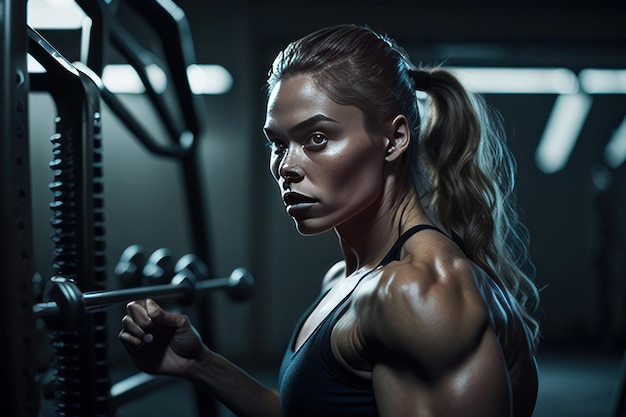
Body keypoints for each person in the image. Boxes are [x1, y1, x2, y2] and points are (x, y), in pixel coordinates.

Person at [119, 23, 541, 417]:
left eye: (316, 138)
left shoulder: (417, 294)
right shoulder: (346, 278)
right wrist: (199, 365)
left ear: (393, 139)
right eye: (277, 143)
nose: (286, 166)